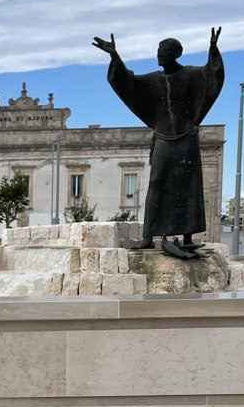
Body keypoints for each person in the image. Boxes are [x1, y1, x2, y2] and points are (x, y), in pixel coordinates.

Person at [92, 28, 224, 259]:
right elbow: (127, 82)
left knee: (188, 186)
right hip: (164, 138)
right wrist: (115, 56)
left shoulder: (192, 75)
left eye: (163, 51)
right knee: (155, 183)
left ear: (176, 53)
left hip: (186, 139)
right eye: (158, 51)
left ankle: (187, 237)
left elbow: (213, 76)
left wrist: (213, 50)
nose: (159, 55)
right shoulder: (152, 80)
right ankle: (147, 237)